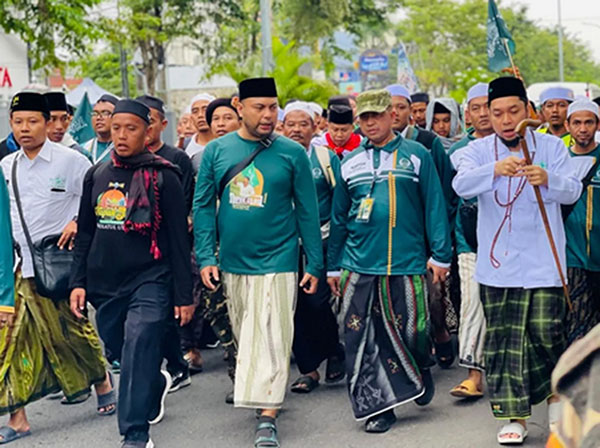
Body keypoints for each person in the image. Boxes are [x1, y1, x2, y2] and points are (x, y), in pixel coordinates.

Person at [194, 77, 323, 448]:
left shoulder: (292, 153)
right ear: (239, 106)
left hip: (279, 258)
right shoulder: (217, 152)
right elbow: (202, 207)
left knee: (272, 334)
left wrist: (314, 263)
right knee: (245, 333)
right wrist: (206, 256)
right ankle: (261, 393)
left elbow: (308, 211)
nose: (268, 115)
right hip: (233, 261)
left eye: (273, 107)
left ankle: (268, 415)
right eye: (259, 107)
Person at [452, 77, 581, 445]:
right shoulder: (478, 151)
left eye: (513, 111)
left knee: (547, 334)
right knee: (505, 344)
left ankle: (556, 403)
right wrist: (494, 170)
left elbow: (573, 189)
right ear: (487, 115)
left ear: (528, 110)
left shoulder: (553, 146)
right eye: (497, 113)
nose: (506, 120)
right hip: (498, 268)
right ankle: (515, 417)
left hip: (545, 263)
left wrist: (548, 178)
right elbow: (461, 185)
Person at [70, 99, 194, 448]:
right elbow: (85, 233)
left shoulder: (165, 176)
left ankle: (135, 434)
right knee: (121, 350)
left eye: (131, 128)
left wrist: (184, 295)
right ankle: (153, 383)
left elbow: (178, 241)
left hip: (150, 279)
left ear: (147, 131)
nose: (122, 135)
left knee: (139, 341)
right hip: (105, 284)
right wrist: (78, 282)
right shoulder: (97, 174)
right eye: (116, 128)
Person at [327, 89, 452, 434]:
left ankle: (419, 366)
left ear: (391, 116)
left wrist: (441, 255)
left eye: (376, 116)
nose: (370, 123)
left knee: (413, 331)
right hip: (358, 264)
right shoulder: (350, 161)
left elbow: (434, 206)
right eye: (364, 118)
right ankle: (380, 407)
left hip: (406, 262)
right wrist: (333, 265)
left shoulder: (417, 155)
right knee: (360, 337)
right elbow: (339, 218)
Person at [0, 91, 114, 444]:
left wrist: (77, 222)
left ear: (48, 123)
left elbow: (98, 202)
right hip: (21, 268)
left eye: (32, 121)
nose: (24, 128)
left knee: (70, 332)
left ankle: (101, 380)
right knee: (10, 343)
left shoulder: (72, 161)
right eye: (18, 122)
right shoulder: (6, 166)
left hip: (60, 264)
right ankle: (18, 418)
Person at [385, 84, 458, 369]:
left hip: (426, 232)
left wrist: (441, 236)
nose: (395, 113)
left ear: (412, 113)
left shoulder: (427, 142)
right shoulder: (371, 143)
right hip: (392, 236)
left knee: (433, 292)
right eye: (389, 107)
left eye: (401, 107)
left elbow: (443, 191)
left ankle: (440, 332)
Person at [281, 102, 345, 394]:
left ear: (315, 127)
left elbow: (340, 201)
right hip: (285, 242)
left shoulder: (325, 158)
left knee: (316, 301)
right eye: (291, 124)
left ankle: (334, 350)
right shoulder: (275, 157)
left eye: (303, 124)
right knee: (292, 306)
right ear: (282, 127)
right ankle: (308, 370)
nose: (296, 130)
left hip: (322, 238)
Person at [136, 94, 195, 393]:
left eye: (150, 120)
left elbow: (183, 205)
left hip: (169, 245)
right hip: (137, 250)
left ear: (162, 124)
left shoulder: (176, 159)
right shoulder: (121, 161)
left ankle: (177, 364)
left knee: (170, 308)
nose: (144, 127)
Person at [447, 82, 493, 399]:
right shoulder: (456, 152)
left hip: (510, 238)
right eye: (475, 108)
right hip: (469, 238)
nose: (482, 113)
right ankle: (474, 376)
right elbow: (448, 199)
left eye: (487, 106)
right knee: (472, 303)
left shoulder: (517, 146)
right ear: (467, 114)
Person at [562, 99, 600, 343]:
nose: (583, 129)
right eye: (577, 123)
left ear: (598, 125)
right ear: (568, 125)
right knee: (577, 323)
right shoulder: (560, 161)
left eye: (589, 122)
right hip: (572, 255)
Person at [43, 92, 88, 156]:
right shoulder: (31, 151)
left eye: (64, 119)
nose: (59, 127)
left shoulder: (79, 154)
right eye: (52, 119)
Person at [84, 94, 118, 164]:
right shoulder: (84, 148)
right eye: (95, 113)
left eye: (105, 113)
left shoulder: (123, 149)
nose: (99, 117)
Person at [186, 92, 215, 171]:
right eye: (195, 111)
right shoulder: (185, 146)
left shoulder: (224, 143)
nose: (200, 115)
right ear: (191, 117)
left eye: (205, 109)